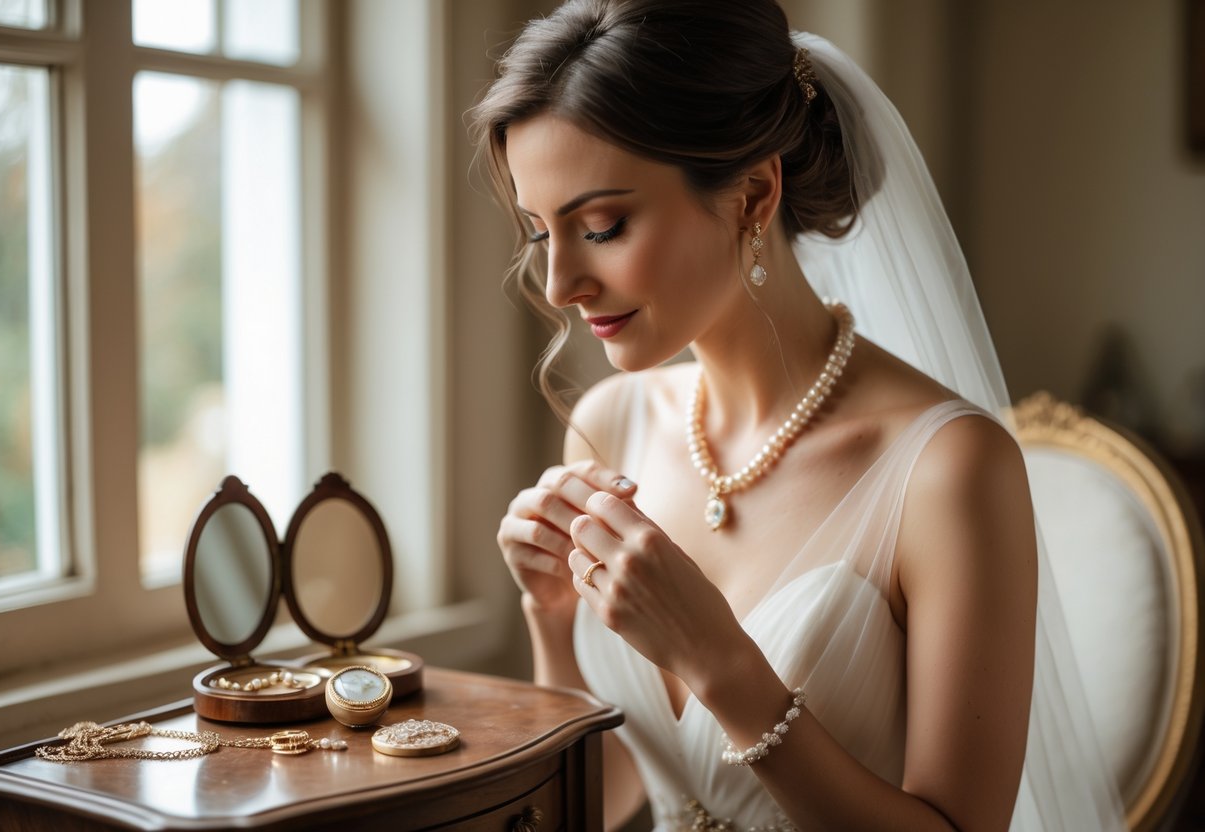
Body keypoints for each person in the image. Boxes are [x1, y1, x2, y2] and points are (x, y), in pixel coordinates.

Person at [473, 1, 1127, 829]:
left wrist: (721, 666)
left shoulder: (949, 469)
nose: (560, 283)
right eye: (539, 234)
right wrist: (552, 620)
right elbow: (597, 802)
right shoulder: (608, 429)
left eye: (601, 226)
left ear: (751, 197)